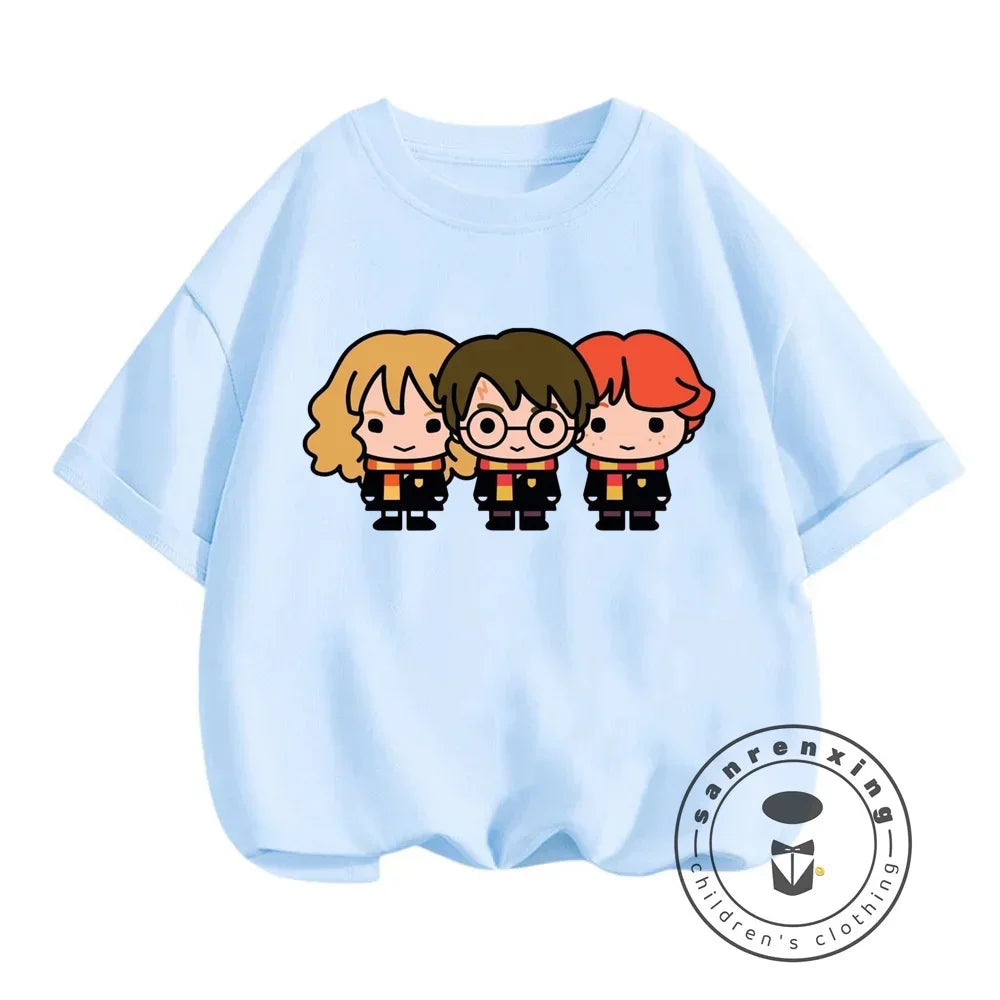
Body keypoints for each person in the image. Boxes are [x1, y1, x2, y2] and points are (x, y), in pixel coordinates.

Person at [304, 330, 474, 530]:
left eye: (432, 425)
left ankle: (418, 515)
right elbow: (371, 487)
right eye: (376, 425)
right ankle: (391, 515)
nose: (405, 442)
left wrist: (437, 493)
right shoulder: (376, 468)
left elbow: (436, 487)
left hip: (426, 496)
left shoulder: (433, 467)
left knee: (420, 501)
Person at [436, 328, 597, 530]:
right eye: (488, 425)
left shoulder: (543, 466)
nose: (517, 441)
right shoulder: (489, 466)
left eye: (545, 425)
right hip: (497, 501)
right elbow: (484, 486)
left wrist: (551, 495)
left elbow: (550, 486)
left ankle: (533, 517)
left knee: (534, 505)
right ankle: (500, 517)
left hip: (537, 497)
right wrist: (483, 495)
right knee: (500, 509)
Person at [575, 330, 714, 530]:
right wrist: (592, 494)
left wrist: (662, 494)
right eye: (598, 425)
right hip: (608, 497)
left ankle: (643, 517)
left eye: (656, 424)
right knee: (611, 508)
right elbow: (594, 484)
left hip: (646, 495)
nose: (627, 440)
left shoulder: (653, 466)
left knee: (643, 504)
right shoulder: (600, 466)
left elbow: (659, 484)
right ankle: (611, 518)